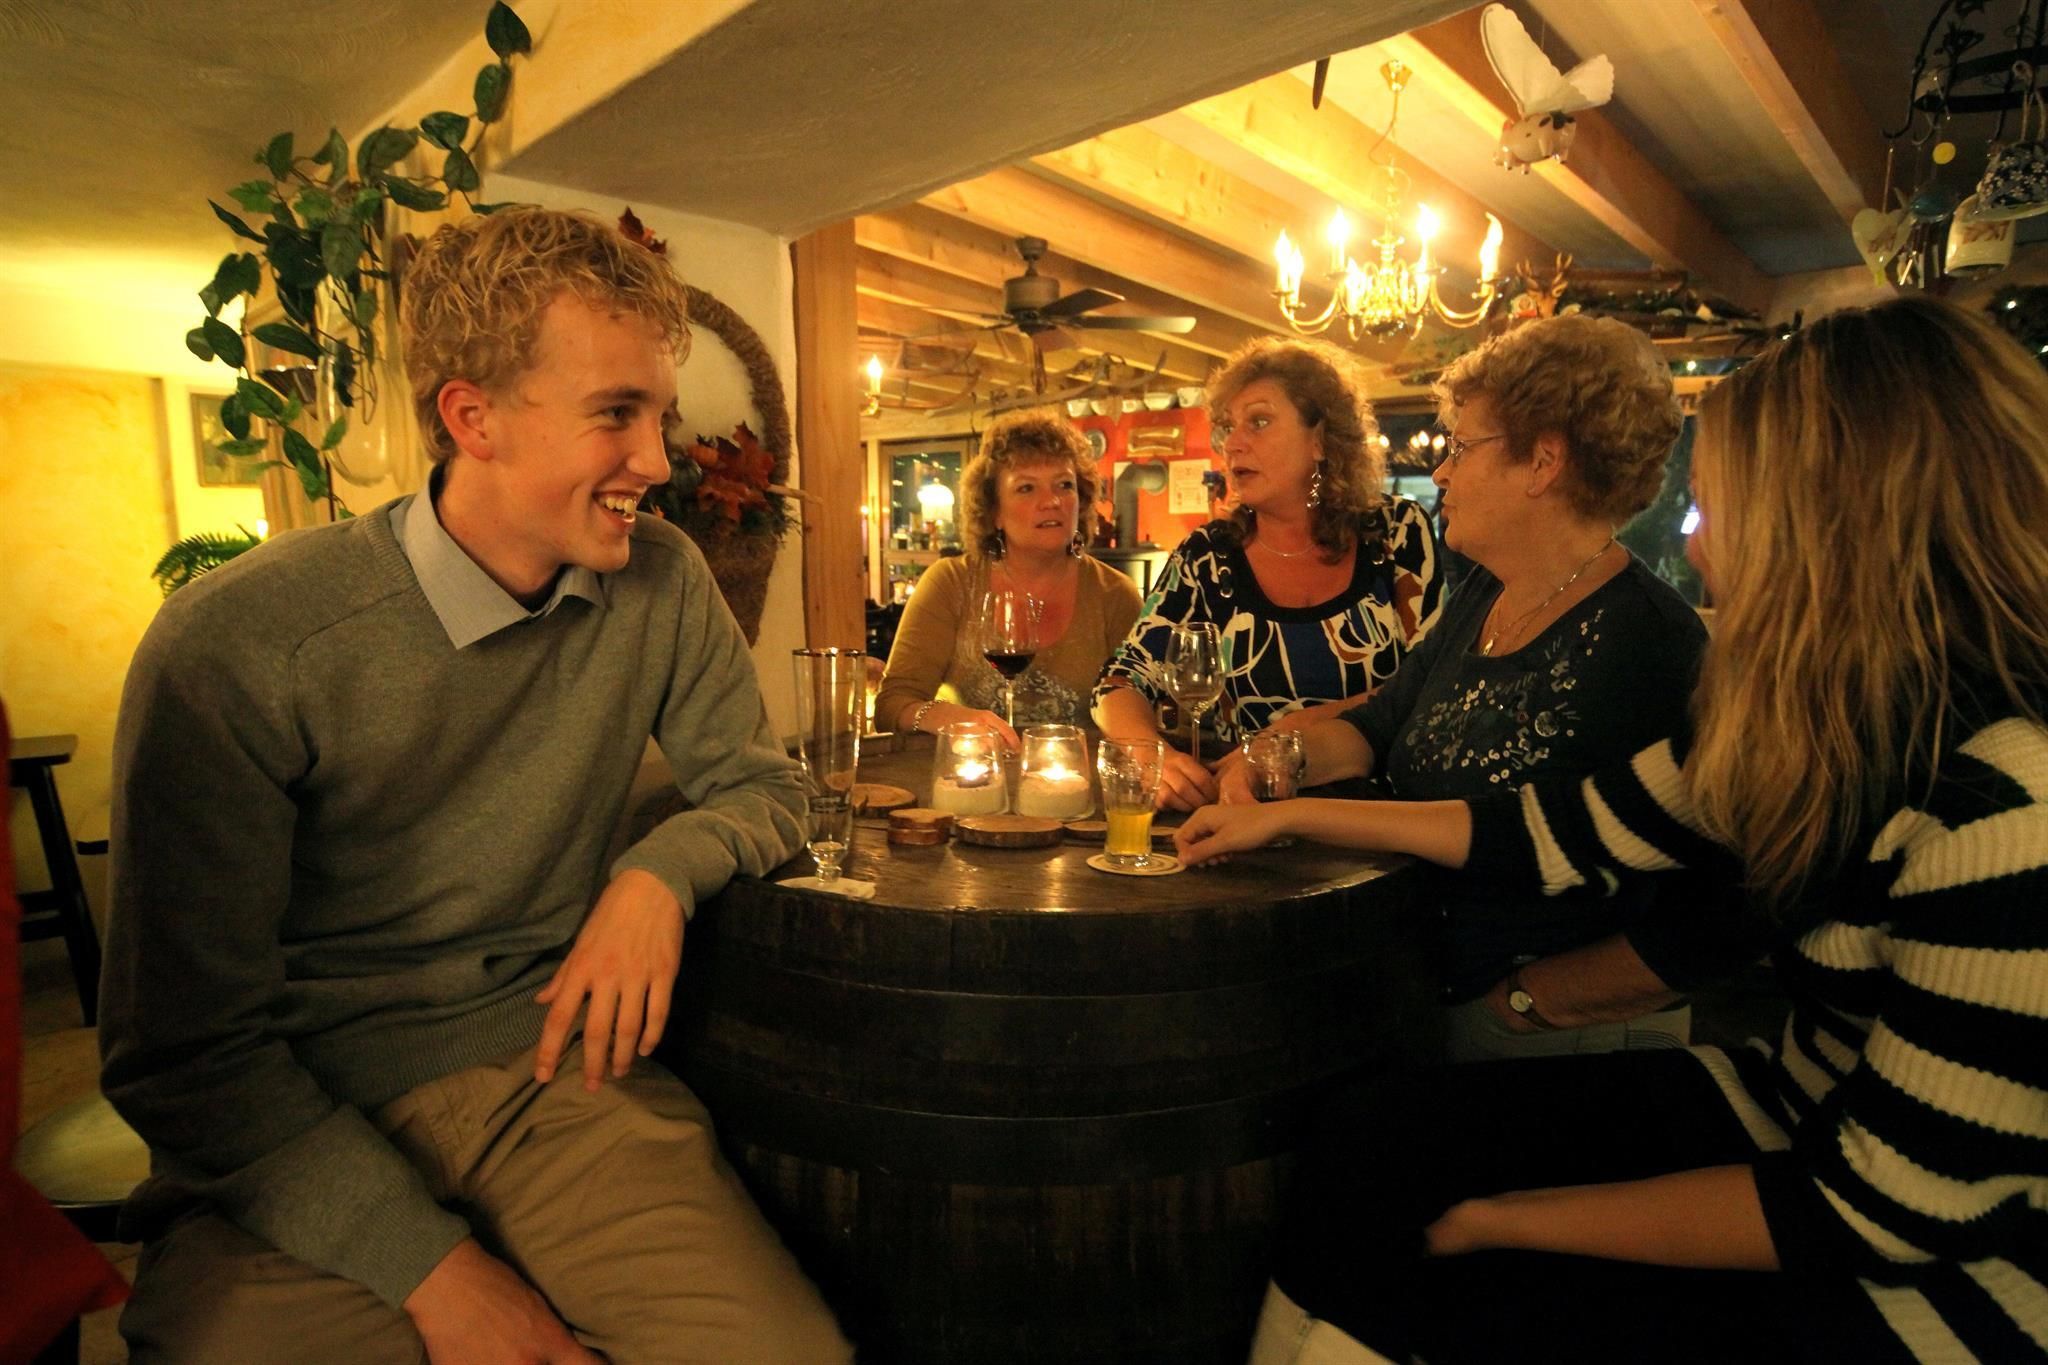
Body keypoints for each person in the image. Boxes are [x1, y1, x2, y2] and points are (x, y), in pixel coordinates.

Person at [1177, 296, 2048, 1364]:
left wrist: (1500, 1220)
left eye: (1718, 505)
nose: (1690, 534)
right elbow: (1559, 830)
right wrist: (1287, 805)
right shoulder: (1825, 716)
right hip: (1794, 1106)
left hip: (1949, 1290)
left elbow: (1878, 1212)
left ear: (1838, 527)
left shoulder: (2003, 812)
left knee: (1452, 1274)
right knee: (1369, 1137)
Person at [99, 209, 851, 1363]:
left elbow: (765, 788)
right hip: (297, 1117)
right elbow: (181, 1054)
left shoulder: (663, 581)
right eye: (616, 413)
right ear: (471, 417)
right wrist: (438, 1279)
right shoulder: (242, 643)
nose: (658, 463)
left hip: (551, 1075)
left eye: (659, 415)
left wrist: (656, 874)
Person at [1210, 314, 1711, 1060]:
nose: (1441, 473)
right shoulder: (1483, 591)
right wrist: (1273, 762)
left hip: (1559, 1035)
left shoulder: (1649, 639)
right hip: (1439, 994)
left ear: (1542, 463)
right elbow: (1379, 723)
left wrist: (1522, 1005)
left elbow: (1702, 903)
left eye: (1462, 447)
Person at [1094, 337, 1443, 810]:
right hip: (1247, 817)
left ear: (1320, 439)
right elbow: (1119, 681)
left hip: (1382, 814)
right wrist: (1148, 752)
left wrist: (1299, 732)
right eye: (1228, 427)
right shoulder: (1208, 556)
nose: (1233, 443)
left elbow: (1434, 682)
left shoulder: (1395, 532)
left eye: (1258, 422)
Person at [875, 409, 1141, 746]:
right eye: (1026, 488)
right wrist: (947, 718)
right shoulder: (952, 583)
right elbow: (891, 706)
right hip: (976, 773)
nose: (1052, 501)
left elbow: (1145, 712)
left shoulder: (1115, 594)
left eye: (1064, 485)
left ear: (1083, 500)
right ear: (994, 512)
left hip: (1081, 775)